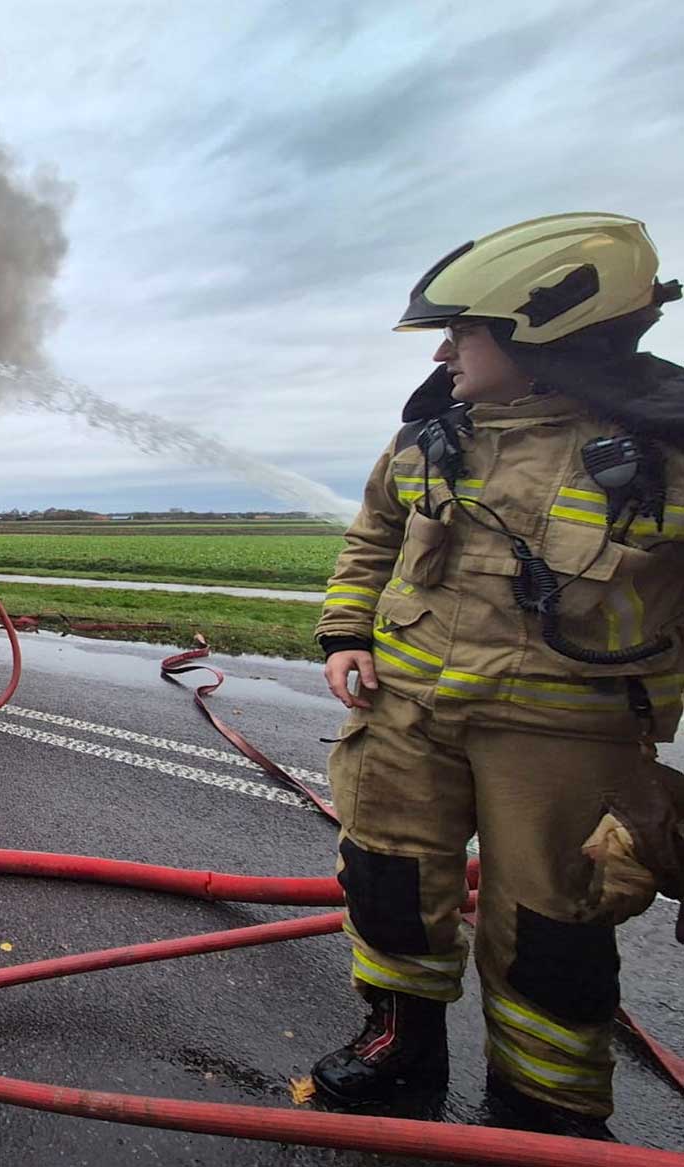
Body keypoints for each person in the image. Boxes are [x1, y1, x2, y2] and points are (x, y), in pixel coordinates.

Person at [311, 212, 684, 1137]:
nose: (444, 350)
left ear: (540, 328)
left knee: (552, 926)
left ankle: (548, 1104)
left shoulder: (664, 452)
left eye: (463, 330)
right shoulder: (430, 434)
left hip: (566, 736)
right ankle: (398, 1041)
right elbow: (372, 544)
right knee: (387, 881)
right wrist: (345, 636)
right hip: (403, 714)